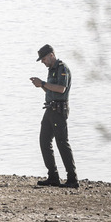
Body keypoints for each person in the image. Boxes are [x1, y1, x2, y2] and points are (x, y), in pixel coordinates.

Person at [31, 43, 77, 189]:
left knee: (62, 143)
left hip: (59, 110)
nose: (43, 62)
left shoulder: (62, 68)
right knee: (44, 141)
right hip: (50, 109)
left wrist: (43, 83)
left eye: (44, 59)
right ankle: (53, 176)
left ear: (51, 55)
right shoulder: (51, 69)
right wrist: (42, 86)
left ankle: (72, 178)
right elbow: (51, 91)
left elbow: (61, 89)